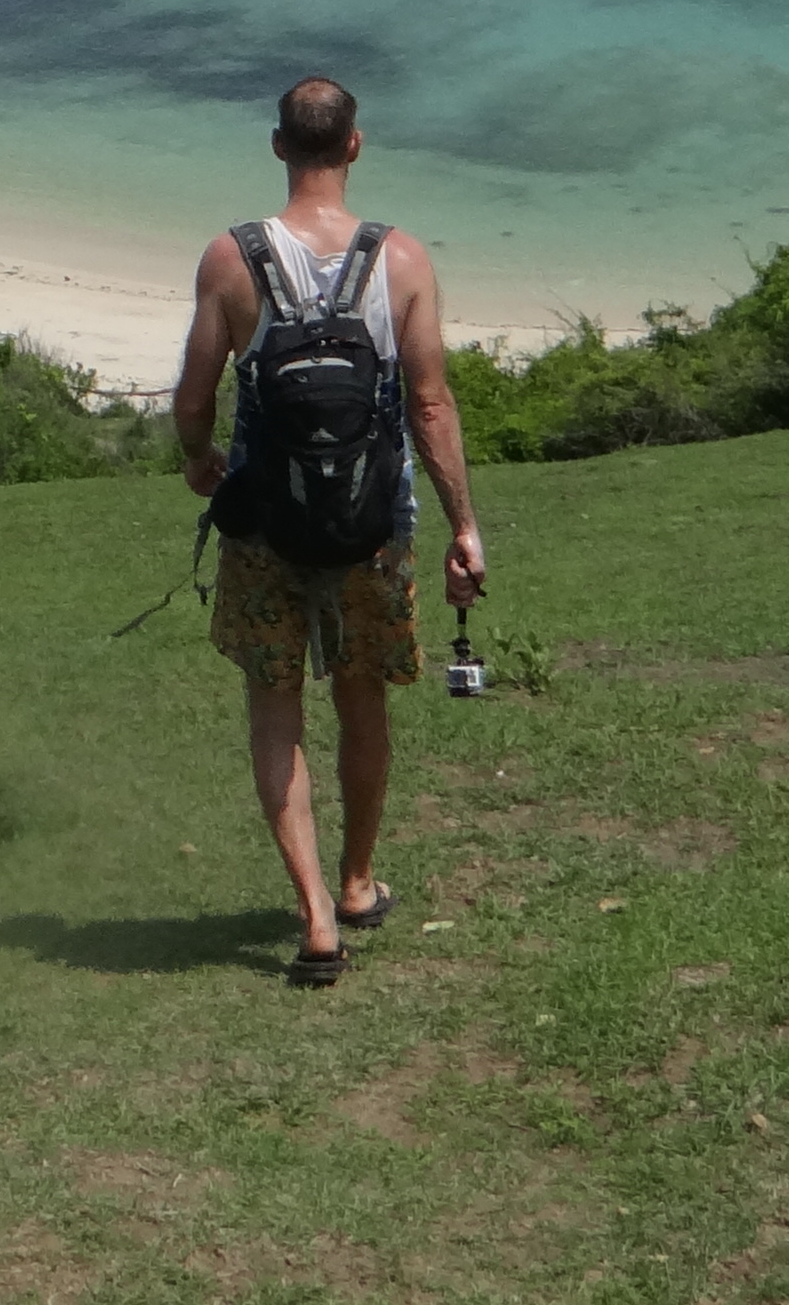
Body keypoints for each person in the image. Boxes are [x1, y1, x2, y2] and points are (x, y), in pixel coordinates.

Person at [172, 75, 486, 988]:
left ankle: (314, 919)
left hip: (264, 531)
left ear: (279, 147)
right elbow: (428, 404)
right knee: (363, 702)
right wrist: (465, 524)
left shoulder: (231, 261)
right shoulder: (405, 260)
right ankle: (356, 882)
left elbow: (194, 399)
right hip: (372, 530)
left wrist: (201, 463)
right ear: (355, 146)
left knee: (276, 709)